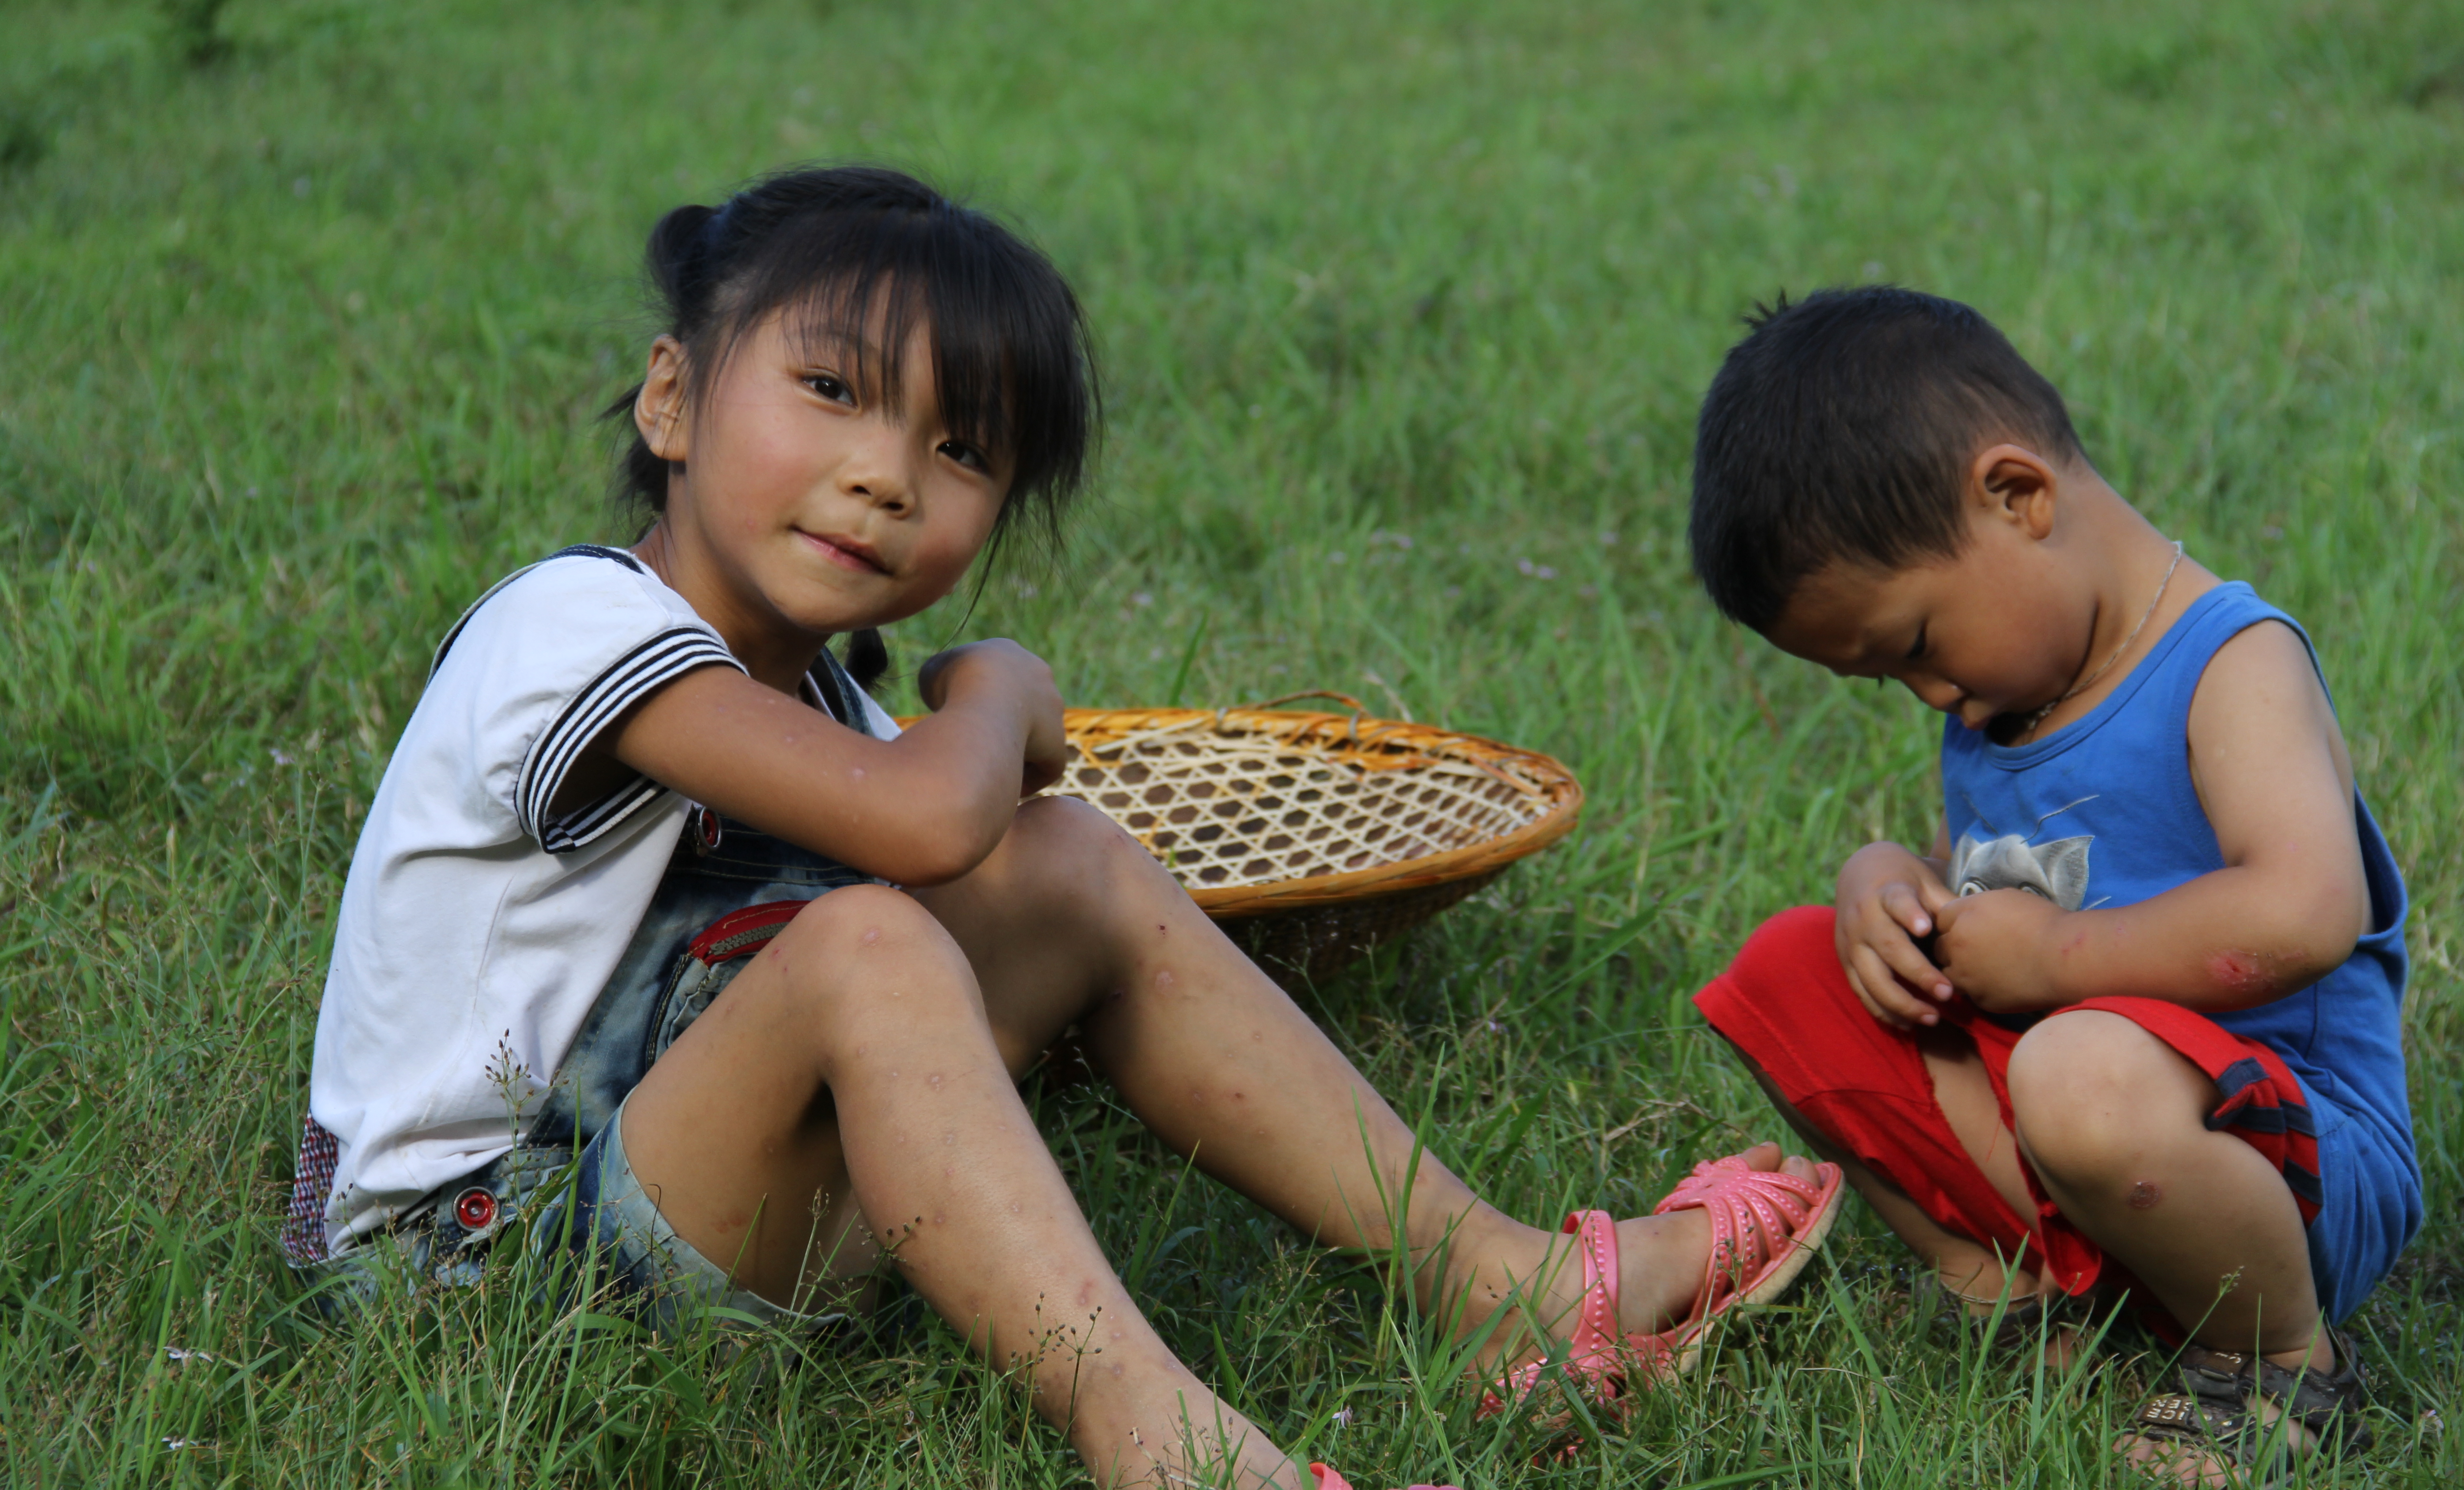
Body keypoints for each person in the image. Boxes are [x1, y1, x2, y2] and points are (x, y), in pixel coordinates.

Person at [282, 164, 1840, 1490]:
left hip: (673, 1212)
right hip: (466, 1274)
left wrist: (990, 757)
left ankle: (1500, 1280)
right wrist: (1009, 688)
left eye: (962, 449)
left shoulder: (835, 713)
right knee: (877, 934)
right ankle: (1162, 1444)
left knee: (1072, 866)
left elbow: (980, 839)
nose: (884, 474)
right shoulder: (570, 624)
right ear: (673, 397)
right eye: (830, 390)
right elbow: (939, 814)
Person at [1684, 287, 2416, 1482]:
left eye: (1914, 646)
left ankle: (2280, 1358)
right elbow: (1993, 892)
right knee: (1790, 967)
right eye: (1886, 680)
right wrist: (1892, 882)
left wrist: (2054, 967)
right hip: (2085, 1119)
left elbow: (2305, 914)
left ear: (2017, 496)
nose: (1928, 698)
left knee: (2080, 1069)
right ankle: (2017, 1294)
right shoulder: (2004, 696)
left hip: (2294, 1170)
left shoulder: (2231, 663)